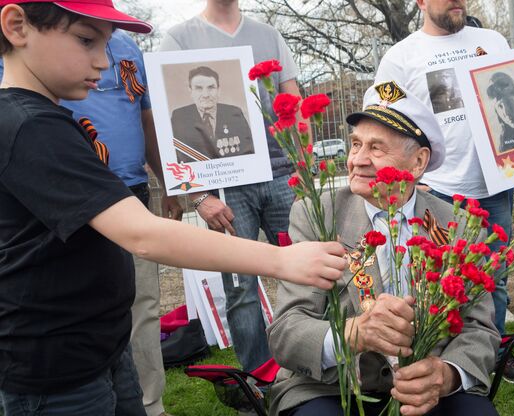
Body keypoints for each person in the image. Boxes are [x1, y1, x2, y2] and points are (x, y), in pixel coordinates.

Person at [0, 2, 348, 415]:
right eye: (86, 40)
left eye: (107, 45)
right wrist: (280, 259)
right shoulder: (30, 127)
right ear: (17, 26)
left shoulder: (49, 118)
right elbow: (143, 234)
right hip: (54, 372)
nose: (102, 62)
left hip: (98, 349)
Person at [267, 82, 500, 416]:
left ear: (418, 162)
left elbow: (480, 328)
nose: (357, 160)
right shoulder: (317, 216)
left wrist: (445, 373)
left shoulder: (457, 226)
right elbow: (287, 330)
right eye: (356, 144)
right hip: (333, 386)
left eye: (376, 148)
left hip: (426, 387)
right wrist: (351, 335)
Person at [374, 0, 514, 386]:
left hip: (492, 189)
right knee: (435, 280)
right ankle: (436, 358)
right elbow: (386, 122)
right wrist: (414, 178)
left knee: (493, 279)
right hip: (438, 192)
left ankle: (490, 355)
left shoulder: (492, 42)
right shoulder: (400, 59)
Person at [159, 0, 305, 373]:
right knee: (241, 289)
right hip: (224, 187)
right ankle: (260, 377)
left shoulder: (268, 35)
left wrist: (303, 160)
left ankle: (313, 362)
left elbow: (294, 101)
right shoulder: (178, 40)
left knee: (307, 270)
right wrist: (199, 196)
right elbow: (167, 128)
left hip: (278, 173)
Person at [62, 30, 181, 416]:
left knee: (142, 304)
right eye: (85, 41)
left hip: (132, 188)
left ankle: (149, 403)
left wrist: (167, 181)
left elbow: (145, 118)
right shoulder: (39, 36)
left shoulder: (129, 46)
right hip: (69, 193)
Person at [171, 65, 254, 163]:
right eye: (198, 88)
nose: (205, 95)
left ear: (218, 90)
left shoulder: (234, 113)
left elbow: (249, 152)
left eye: (211, 88)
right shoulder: (179, 116)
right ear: (191, 91)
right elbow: (176, 157)